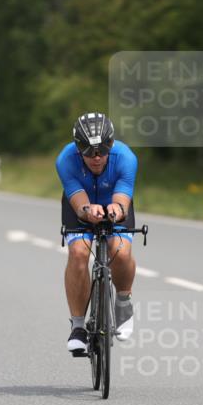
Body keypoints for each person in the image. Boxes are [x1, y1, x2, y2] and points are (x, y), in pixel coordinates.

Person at [56, 112, 138, 352]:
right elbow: (78, 201)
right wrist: (86, 210)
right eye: (88, 151)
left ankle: (123, 303)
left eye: (102, 150)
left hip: (115, 202)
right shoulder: (65, 159)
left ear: (111, 144)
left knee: (120, 251)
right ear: (77, 148)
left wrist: (118, 209)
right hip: (80, 205)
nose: (96, 157)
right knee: (78, 253)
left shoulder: (126, 157)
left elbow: (122, 196)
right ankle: (78, 326)